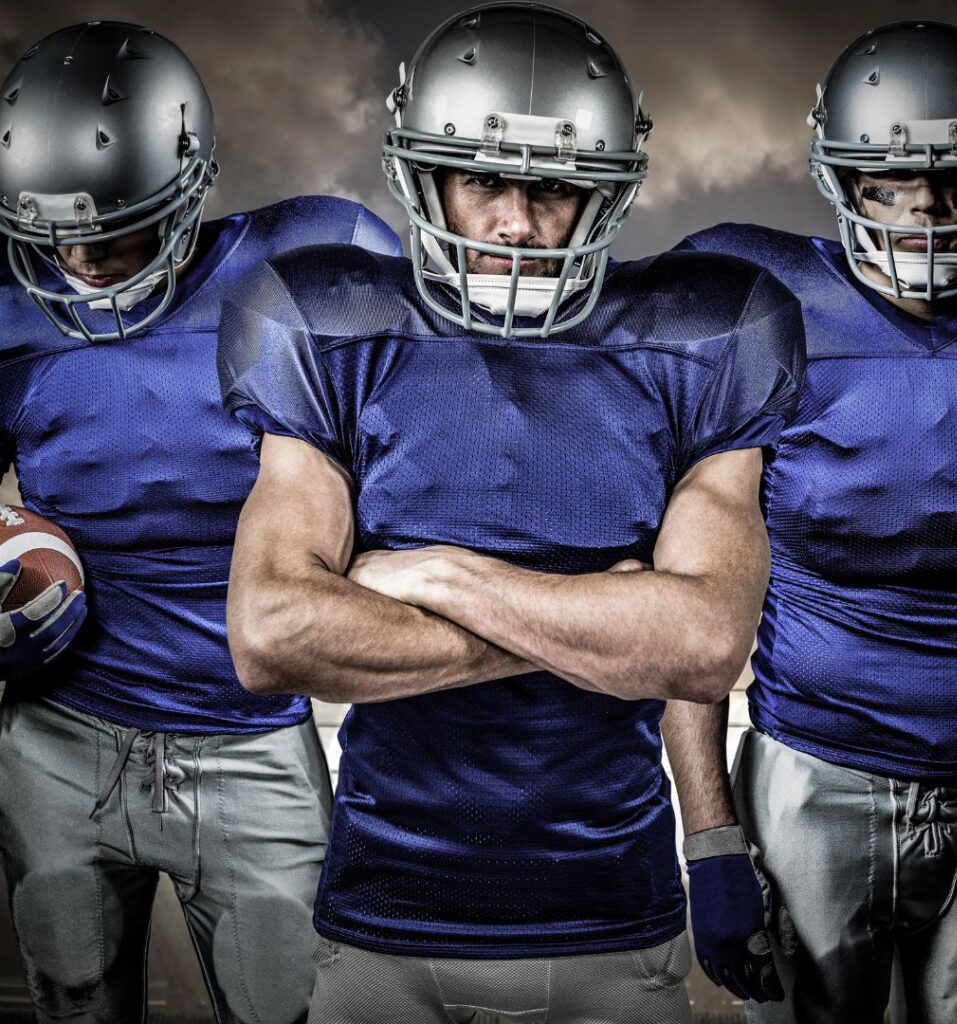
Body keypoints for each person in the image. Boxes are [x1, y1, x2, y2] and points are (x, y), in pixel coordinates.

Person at [219, 4, 805, 1022]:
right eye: (482, 176)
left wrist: (440, 574)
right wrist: (609, 622)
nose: (515, 225)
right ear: (420, 172)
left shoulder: (705, 332)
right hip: (380, 920)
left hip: (616, 920)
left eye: (552, 187)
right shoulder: (332, 324)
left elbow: (703, 642)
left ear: (606, 190)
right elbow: (272, 633)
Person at [0, 21, 400, 1024]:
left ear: (191, 188)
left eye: (120, 228)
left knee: (291, 1009)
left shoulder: (307, 266)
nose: (85, 257)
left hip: (249, 738)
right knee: (72, 1005)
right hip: (58, 727)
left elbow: (434, 457)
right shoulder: (8, 310)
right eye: (57, 231)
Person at [669, 20, 957, 1023]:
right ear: (838, 178)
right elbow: (694, 605)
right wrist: (709, 838)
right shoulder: (762, 305)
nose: (928, 211)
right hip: (812, 778)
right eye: (889, 183)